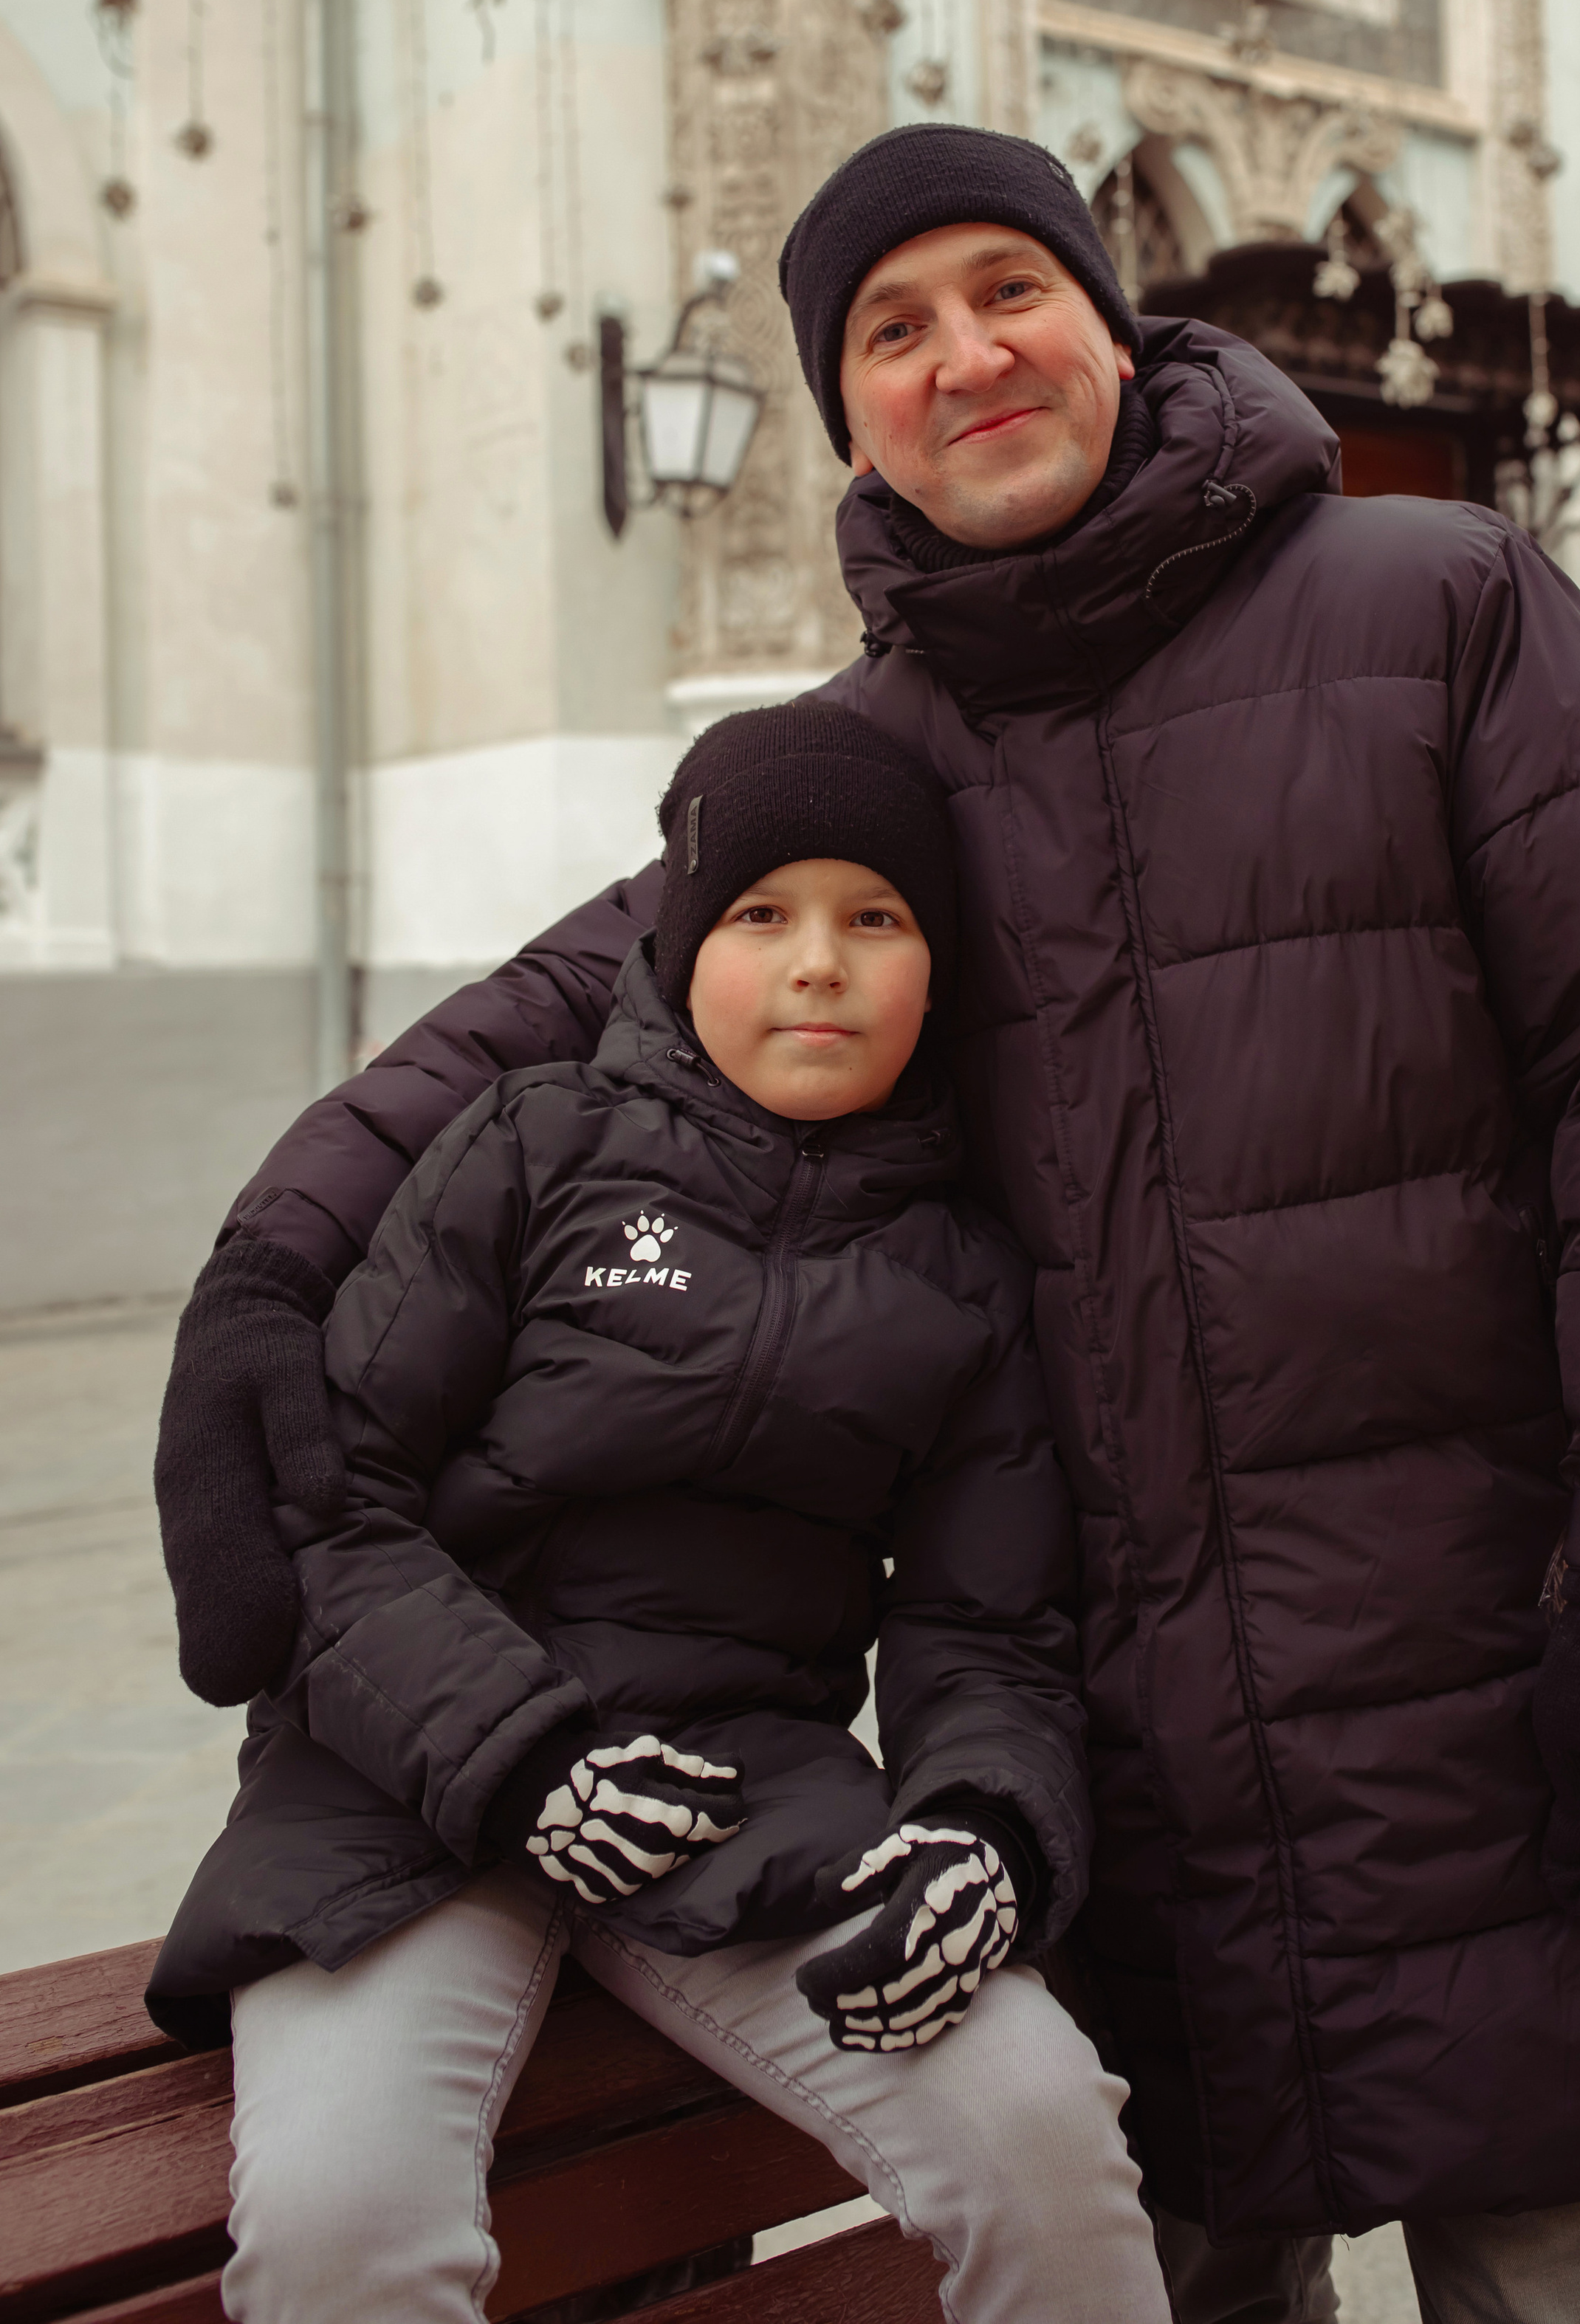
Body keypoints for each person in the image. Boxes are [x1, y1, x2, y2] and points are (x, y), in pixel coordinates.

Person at [157, 126, 1580, 2323]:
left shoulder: (1441, 604)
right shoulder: (879, 767)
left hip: (1473, 1673)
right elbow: (563, 1011)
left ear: (1112, 322)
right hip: (1128, 1735)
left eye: (1006, 291)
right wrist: (275, 1267)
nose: (965, 359)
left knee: (1555, 2255)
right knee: (1193, 2252)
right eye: (889, 331)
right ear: (851, 416)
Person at [147, 703, 1173, 2324]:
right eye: (761, 914)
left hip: (741, 1793)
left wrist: (987, 1826)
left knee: (1047, 2145)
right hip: (400, 1787)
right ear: (685, 944)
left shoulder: (967, 1275)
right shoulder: (531, 1146)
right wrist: (524, 1762)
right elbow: (329, 1503)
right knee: (345, 2227)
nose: (817, 963)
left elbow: (986, 1628)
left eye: (876, 918)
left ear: (940, 969)